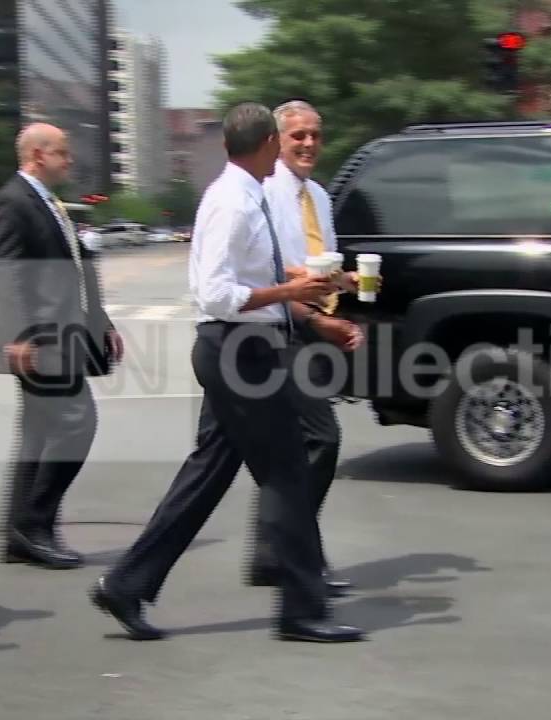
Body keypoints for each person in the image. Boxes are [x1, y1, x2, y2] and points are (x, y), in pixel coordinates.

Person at [89, 103, 366, 643]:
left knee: (208, 472)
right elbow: (215, 293)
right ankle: (302, 611)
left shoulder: (248, 193)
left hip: (245, 348)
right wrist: (290, 293)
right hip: (240, 351)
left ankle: (126, 584)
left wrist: (322, 282)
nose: (290, 150)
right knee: (288, 474)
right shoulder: (232, 203)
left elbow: (259, 268)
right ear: (267, 143)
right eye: (284, 141)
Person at [0, 123, 122, 570]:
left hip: (65, 336)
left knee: (39, 436)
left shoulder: (50, 203)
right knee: (77, 425)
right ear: (38, 155)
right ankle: (34, 525)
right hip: (40, 341)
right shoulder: (12, 202)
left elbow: (77, 271)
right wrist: (18, 335)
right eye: (63, 152)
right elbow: (4, 271)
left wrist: (102, 324)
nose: (71, 160)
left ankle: (19, 534)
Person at [246, 99, 362, 595]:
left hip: (311, 329)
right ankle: (295, 554)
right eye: (298, 136)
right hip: (274, 331)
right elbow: (272, 277)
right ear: (277, 140)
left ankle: (273, 554)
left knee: (284, 450)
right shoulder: (264, 194)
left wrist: (349, 285)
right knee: (322, 440)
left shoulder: (318, 195)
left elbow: (319, 269)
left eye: (316, 134)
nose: (310, 143)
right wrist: (317, 319)